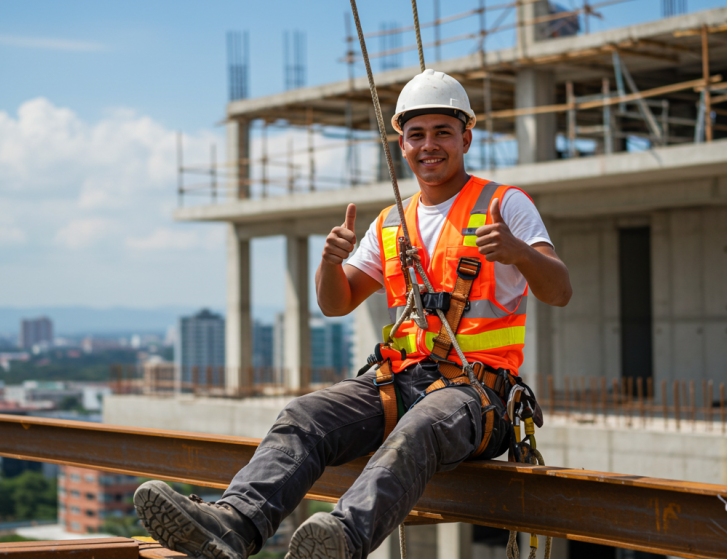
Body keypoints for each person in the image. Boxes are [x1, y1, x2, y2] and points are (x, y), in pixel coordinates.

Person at [133, 69, 572, 559]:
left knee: (421, 427)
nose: (430, 145)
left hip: (478, 394)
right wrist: (329, 262)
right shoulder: (391, 223)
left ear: (466, 137)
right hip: (402, 382)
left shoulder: (503, 204)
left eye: (443, 132)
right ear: (401, 145)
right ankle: (233, 522)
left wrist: (520, 253)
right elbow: (336, 302)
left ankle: (342, 539)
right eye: (417, 135)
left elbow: (559, 291)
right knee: (305, 416)